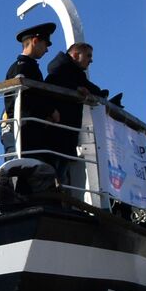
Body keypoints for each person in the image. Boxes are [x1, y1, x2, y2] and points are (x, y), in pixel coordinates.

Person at [44, 42, 106, 188]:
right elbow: (55, 83)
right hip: (57, 133)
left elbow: (92, 88)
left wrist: (103, 96)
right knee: (55, 174)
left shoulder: (76, 75)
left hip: (67, 133)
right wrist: (75, 88)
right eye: (88, 56)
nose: (91, 60)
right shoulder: (59, 71)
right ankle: (55, 197)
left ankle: (58, 197)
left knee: (61, 174)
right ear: (76, 55)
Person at [1, 22, 61, 156]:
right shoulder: (22, 68)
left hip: (30, 128)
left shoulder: (28, 67)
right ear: (35, 41)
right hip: (26, 129)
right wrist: (49, 111)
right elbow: (26, 99)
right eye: (45, 44)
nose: (47, 50)